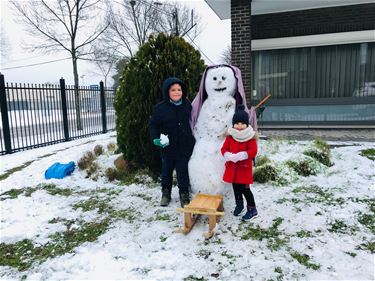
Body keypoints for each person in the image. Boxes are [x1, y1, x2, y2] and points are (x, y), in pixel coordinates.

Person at [149, 77, 195, 207]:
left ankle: (184, 194)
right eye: (173, 90)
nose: (176, 92)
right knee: (166, 171)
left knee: (182, 171)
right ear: (167, 92)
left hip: (184, 146)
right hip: (167, 147)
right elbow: (153, 124)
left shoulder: (187, 105)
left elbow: (193, 121)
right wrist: (155, 138)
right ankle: (166, 193)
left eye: (179, 89)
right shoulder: (160, 108)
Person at [221, 105, 258, 221]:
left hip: (244, 169)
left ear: (247, 124)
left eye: (242, 123)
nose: (240, 126)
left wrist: (243, 155)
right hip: (233, 168)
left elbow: (253, 151)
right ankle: (239, 205)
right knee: (236, 187)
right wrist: (228, 155)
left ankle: (252, 209)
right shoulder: (230, 136)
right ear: (233, 124)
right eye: (237, 123)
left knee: (245, 189)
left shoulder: (250, 136)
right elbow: (224, 149)